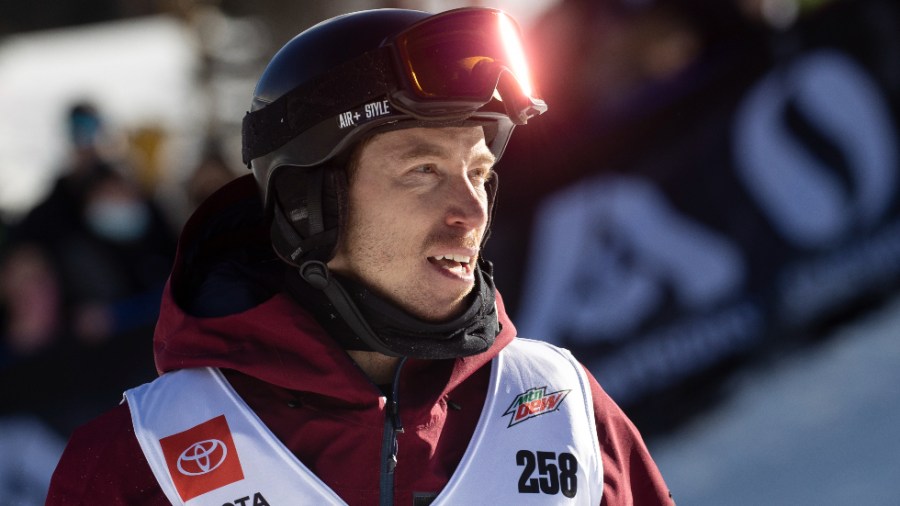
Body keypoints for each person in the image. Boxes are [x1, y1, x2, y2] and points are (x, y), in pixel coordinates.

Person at [47, 7, 673, 505]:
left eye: (479, 174)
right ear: (308, 205)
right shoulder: (140, 460)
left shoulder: (565, 408)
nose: (472, 211)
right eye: (423, 170)